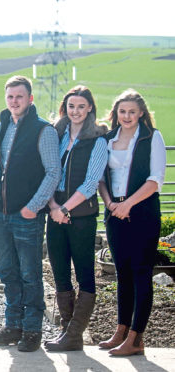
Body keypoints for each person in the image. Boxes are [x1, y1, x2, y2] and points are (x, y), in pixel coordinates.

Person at [0, 75, 60, 352]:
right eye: (10, 96)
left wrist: (33, 206)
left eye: (19, 96)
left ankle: (32, 330)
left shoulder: (43, 130)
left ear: (30, 99)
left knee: (30, 274)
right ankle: (12, 325)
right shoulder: (1, 127)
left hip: (27, 215)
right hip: (0, 214)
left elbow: (53, 172)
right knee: (8, 273)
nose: (14, 101)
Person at [98, 89, 166, 356]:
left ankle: (136, 339)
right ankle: (121, 331)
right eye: (122, 111)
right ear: (116, 113)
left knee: (140, 274)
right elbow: (101, 178)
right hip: (114, 212)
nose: (126, 116)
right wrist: (111, 204)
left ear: (141, 114)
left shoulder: (152, 137)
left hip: (143, 212)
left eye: (132, 112)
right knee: (122, 273)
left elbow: (155, 180)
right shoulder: (106, 139)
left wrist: (128, 204)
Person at [43, 86, 108, 351]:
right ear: (65, 108)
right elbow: (46, 172)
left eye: (81, 106)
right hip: (54, 212)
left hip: (81, 216)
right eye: (71, 106)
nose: (76, 111)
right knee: (59, 272)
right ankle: (68, 333)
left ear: (90, 107)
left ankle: (75, 333)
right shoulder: (55, 135)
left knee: (84, 274)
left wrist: (64, 209)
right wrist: (52, 206)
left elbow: (92, 182)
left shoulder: (98, 140)